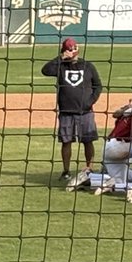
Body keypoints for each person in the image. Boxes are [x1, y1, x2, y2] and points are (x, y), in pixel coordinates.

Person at [40, 37, 103, 188]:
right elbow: (45, 70)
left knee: (88, 140)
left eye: (73, 49)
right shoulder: (60, 66)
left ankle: (89, 168)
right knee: (66, 141)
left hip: (85, 111)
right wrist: (61, 58)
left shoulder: (87, 66)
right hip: (66, 111)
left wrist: (90, 102)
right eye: (68, 49)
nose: (71, 52)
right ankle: (66, 170)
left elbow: (98, 85)